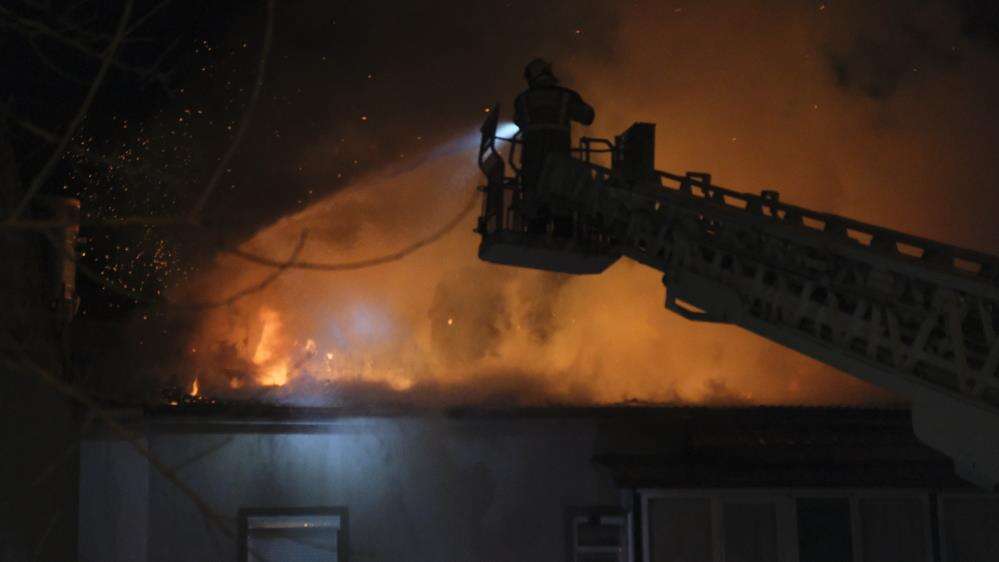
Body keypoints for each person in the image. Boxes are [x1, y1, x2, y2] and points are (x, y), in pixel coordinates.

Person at [513, 58, 595, 193]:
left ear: (532, 77)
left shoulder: (522, 99)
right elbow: (588, 117)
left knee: (532, 203)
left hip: (532, 166)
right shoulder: (567, 96)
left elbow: (518, 121)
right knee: (559, 201)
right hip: (559, 163)